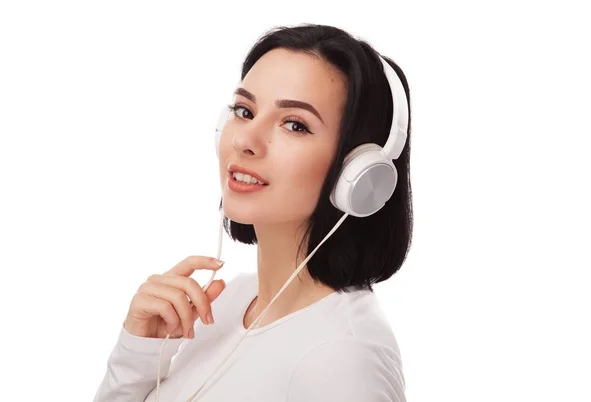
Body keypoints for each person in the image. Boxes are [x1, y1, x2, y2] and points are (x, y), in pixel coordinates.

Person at [94, 23, 413, 402]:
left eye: (294, 124)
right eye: (244, 111)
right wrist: (138, 355)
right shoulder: (229, 302)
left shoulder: (342, 360)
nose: (244, 139)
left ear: (357, 173)